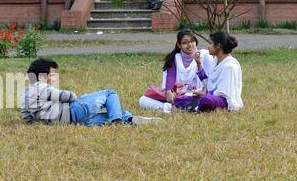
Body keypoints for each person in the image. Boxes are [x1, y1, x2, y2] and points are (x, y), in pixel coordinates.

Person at [21, 58, 157, 125]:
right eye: (51, 75)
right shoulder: (41, 87)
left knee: (109, 118)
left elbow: (27, 118)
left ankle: (129, 119)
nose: (53, 78)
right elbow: (68, 96)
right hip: (75, 110)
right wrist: (76, 97)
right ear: (41, 76)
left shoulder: (25, 94)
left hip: (72, 121)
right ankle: (118, 118)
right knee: (110, 93)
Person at [139, 29, 212, 113]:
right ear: (179, 45)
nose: (190, 45)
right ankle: (173, 108)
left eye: (192, 41)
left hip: (197, 95)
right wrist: (169, 91)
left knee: (204, 101)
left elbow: (209, 81)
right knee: (143, 100)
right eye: (185, 43)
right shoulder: (175, 58)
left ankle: (172, 108)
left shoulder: (205, 56)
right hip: (177, 96)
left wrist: (199, 64)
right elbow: (170, 77)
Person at [184, 31, 243, 112]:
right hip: (212, 96)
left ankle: (195, 109)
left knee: (205, 100)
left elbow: (224, 94)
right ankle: (191, 105)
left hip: (224, 102)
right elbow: (208, 83)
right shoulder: (215, 61)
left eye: (211, 43)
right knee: (185, 97)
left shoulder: (229, 66)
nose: (208, 46)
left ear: (218, 46)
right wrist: (199, 64)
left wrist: (205, 94)